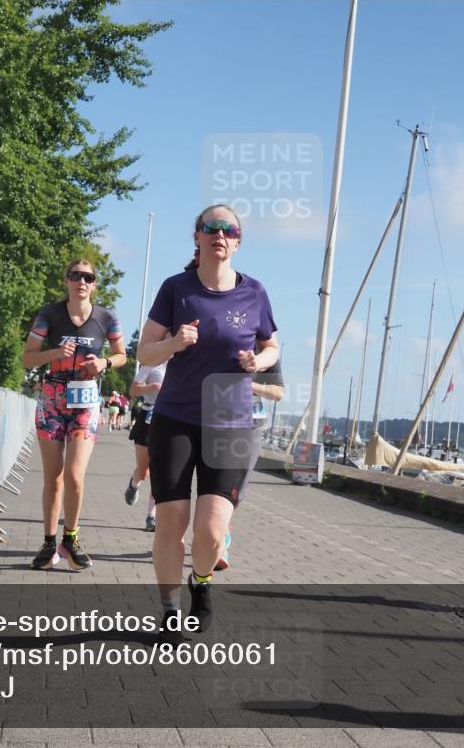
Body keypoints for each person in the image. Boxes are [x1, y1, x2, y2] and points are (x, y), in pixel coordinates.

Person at [138, 204, 278, 642]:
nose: (219, 234)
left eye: (228, 229)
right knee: (171, 523)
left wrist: (259, 361)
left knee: (212, 531)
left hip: (229, 422)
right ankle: (168, 609)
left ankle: (200, 583)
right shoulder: (175, 289)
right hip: (175, 418)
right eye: (210, 227)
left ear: (237, 241)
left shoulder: (254, 293)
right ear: (196, 238)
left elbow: (273, 347)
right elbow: (144, 354)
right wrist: (175, 342)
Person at [22, 259, 126, 570]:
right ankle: (48, 543)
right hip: (52, 399)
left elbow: (122, 355)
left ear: (95, 284)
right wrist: (55, 353)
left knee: (75, 477)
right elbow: (27, 358)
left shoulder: (107, 318)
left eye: (88, 277)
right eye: (76, 276)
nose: (82, 281)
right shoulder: (49, 314)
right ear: (66, 280)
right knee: (53, 479)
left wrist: (104, 363)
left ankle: (71, 539)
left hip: (86, 400)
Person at [215, 352, 285, 571]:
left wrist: (253, 387)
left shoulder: (267, 352)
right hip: (218, 420)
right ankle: (217, 537)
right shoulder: (224, 341)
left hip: (252, 424)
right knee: (215, 481)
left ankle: (221, 532)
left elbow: (278, 393)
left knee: (238, 484)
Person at [126, 360, 167, 531]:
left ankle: (152, 516)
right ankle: (134, 484)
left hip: (169, 418)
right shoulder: (153, 363)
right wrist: (152, 387)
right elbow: (133, 390)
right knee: (144, 472)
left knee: (159, 471)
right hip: (147, 416)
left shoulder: (182, 363)